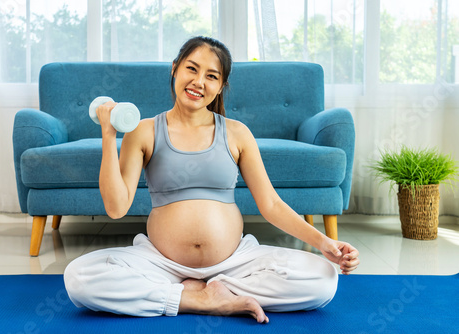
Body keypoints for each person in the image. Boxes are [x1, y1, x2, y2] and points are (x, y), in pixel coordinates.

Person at [64, 36, 359, 324]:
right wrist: (108, 135)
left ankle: (209, 290)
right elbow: (116, 208)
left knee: (323, 279)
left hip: (233, 263)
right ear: (175, 68)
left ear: (220, 87)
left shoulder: (237, 132)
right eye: (192, 69)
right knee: (78, 277)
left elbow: (270, 204)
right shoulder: (143, 131)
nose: (199, 82)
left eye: (211, 76)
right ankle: (198, 298)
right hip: (161, 262)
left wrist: (324, 242)